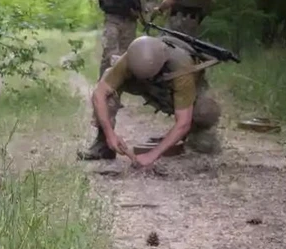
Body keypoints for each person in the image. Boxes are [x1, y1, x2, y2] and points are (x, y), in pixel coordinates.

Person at [79, 35, 222, 164]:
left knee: (205, 112)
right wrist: (110, 134)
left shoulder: (182, 68)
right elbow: (99, 94)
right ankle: (102, 144)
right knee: (108, 81)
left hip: (172, 92)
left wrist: (152, 155)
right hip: (147, 85)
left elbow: (183, 121)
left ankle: (194, 137)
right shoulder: (131, 57)